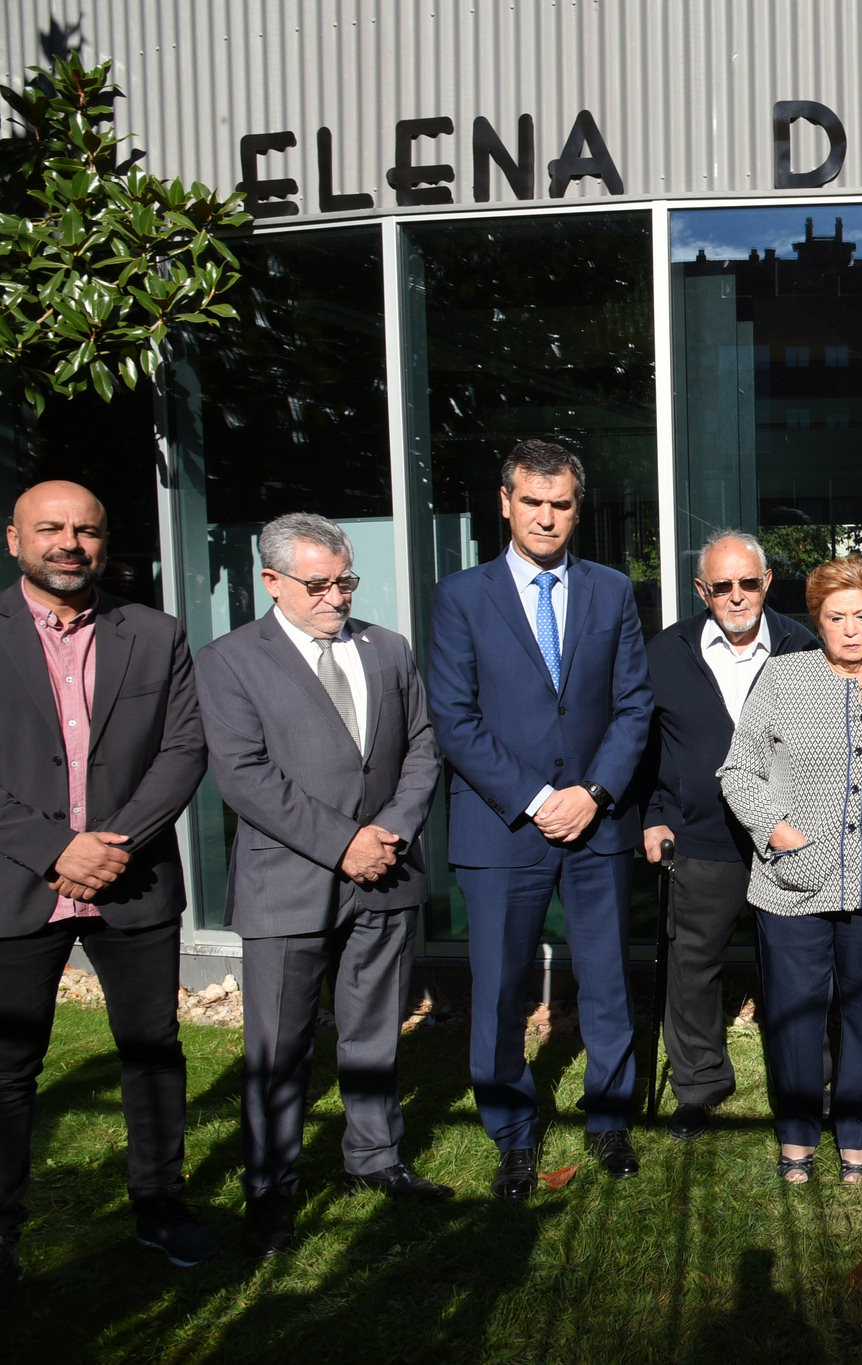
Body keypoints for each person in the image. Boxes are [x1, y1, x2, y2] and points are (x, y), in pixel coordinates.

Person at [194, 513, 450, 1257]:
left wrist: (387, 835)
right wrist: (344, 844)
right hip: (289, 881)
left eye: (346, 579)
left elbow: (422, 750)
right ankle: (271, 1191)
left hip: (386, 873)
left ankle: (375, 1157)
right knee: (279, 1045)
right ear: (271, 581)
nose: (337, 595)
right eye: (319, 583)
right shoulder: (230, 660)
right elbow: (244, 776)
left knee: (373, 1030)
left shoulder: (389, 648)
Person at [0, 480, 211, 1301]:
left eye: (86, 529)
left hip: (132, 881)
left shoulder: (153, 634)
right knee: (9, 1067)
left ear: (106, 538)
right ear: (13, 536)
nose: (69, 543)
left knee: (152, 1051)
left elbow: (185, 748)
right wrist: (56, 851)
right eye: (50, 527)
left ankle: (160, 1204)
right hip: (20, 882)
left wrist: (110, 848)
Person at [427, 440, 653, 1199]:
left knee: (607, 981)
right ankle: (512, 1133)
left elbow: (633, 706)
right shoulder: (461, 596)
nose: (547, 517)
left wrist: (592, 792)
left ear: (577, 509)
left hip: (597, 823)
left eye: (560, 504)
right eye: (533, 502)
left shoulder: (612, 591)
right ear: (505, 503)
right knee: (497, 987)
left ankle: (610, 1118)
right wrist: (533, 798)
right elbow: (454, 720)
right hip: (502, 828)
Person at [718, 556, 862, 1183]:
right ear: (815, 621)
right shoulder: (783, 678)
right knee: (795, 1012)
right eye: (834, 617)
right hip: (791, 880)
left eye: (861, 615)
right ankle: (797, 1133)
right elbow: (738, 771)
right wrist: (776, 831)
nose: (850, 629)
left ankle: (857, 1130)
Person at [639, 530, 818, 1141]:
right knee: (693, 965)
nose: (737, 596)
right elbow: (647, 747)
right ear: (702, 591)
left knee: (797, 968)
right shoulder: (665, 653)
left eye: (748, 583)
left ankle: (802, 1082)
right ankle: (698, 1084)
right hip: (702, 838)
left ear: (767, 583)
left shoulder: (804, 648)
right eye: (722, 586)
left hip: (788, 838)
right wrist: (653, 813)